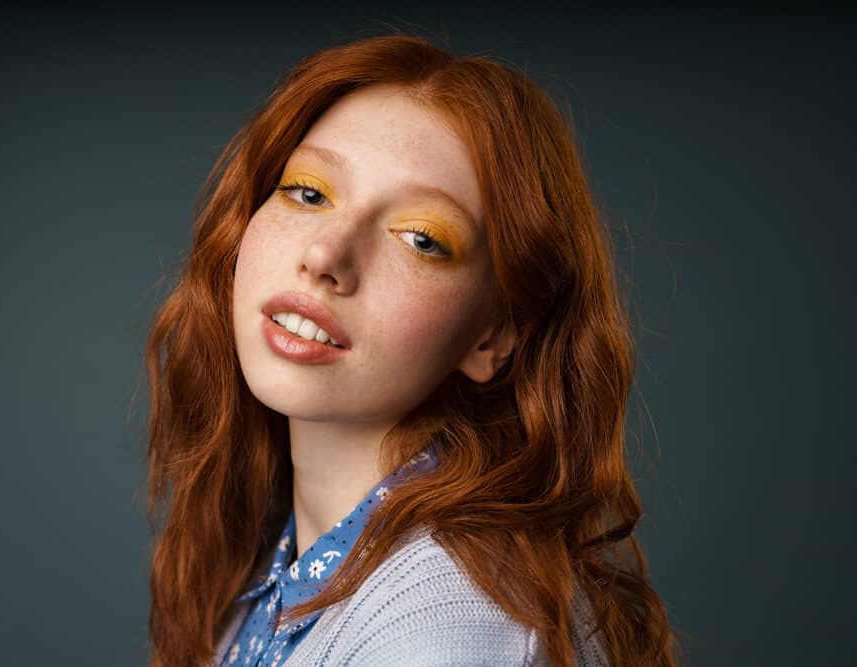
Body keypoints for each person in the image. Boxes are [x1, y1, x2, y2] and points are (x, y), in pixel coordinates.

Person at [143, 33, 681, 667]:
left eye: (421, 239)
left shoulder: (449, 631)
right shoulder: (277, 571)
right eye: (309, 193)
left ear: (494, 336)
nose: (325, 256)